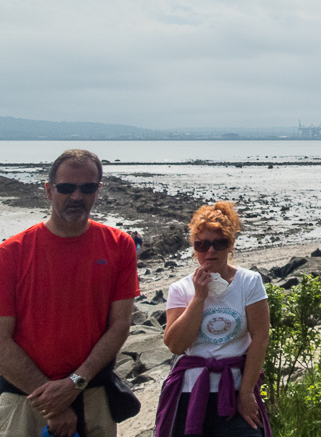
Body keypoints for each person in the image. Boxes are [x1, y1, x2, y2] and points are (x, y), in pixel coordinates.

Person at [0, 149, 140, 437]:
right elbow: (1, 341)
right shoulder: (10, 253)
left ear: (98, 191)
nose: (77, 196)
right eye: (66, 188)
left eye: (87, 188)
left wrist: (75, 382)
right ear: (49, 190)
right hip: (25, 398)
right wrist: (54, 403)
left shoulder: (119, 245)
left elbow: (120, 325)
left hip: (92, 393)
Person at [156, 201, 271, 437]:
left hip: (235, 386)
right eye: (202, 245)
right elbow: (176, 345)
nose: (210, 252)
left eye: (220, 243)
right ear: (194, 248)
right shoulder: (181, 289)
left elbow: (260, 336)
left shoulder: (249, 282)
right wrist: (199, 298)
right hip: (190, 389)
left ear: (231, 246)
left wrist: (247, 392)